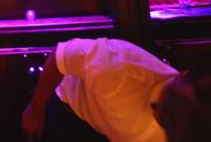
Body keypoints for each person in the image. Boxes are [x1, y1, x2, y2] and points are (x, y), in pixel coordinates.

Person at [22, 37, 211, 142]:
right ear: (183, 74)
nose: (165, 119)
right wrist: (35, 111)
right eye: (171, 109)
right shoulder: (117, 71)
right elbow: (61, 57)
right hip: (73, 116)